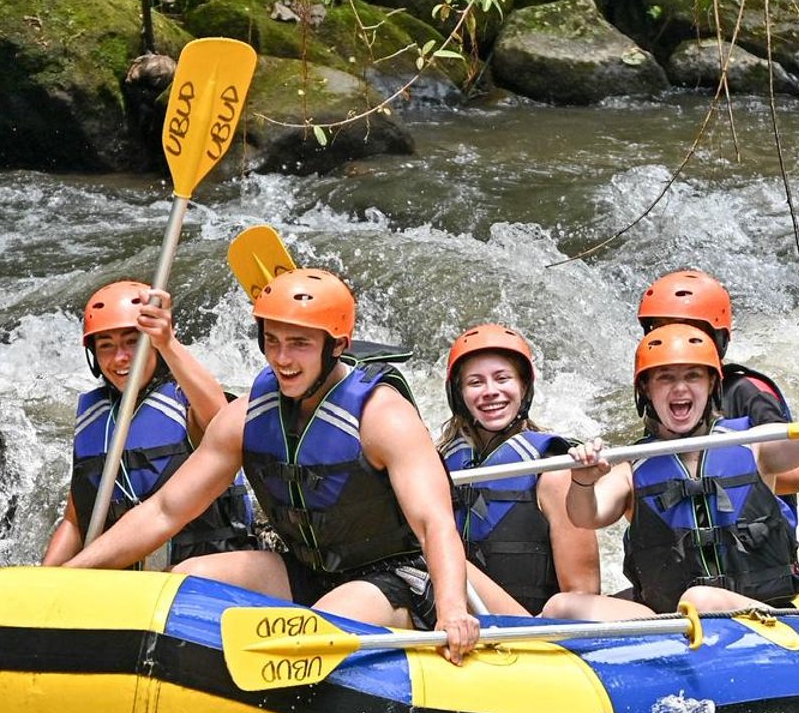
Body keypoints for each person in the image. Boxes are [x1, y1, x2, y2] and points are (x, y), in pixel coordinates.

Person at [65, 268, 480, 663]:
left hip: (395, 577)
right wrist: (68, 576)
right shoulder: (247, 417)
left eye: (299, 343)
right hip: (305, 568)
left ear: (336, 345)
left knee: (315, 628)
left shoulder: (382, 416)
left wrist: (451, 612)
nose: (283, 359)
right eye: (273, 340)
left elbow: (434, 523)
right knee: (185, 578)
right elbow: (164, 510)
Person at [542, 323, 799, 621]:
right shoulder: (635, 464)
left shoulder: (754, 445)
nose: (680, 389)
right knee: (563, 605)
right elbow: (586, 515)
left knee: (701, 599)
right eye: (666, 378)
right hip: (668, 624)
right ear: (646, 390)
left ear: (711, 385)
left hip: (763, 614)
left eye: (692, 376)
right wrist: (584, 479)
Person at [42, 281, 256, 568]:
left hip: (201, 572)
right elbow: (75, 522)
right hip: (127, 583)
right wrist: (45, 579)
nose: (120, 358)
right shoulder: (96, 419)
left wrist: (168, 343)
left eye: (133, 342)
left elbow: (221, 419)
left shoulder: (185, 400)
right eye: (106, 346)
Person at [436, 324, 600, 614]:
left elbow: (583, 594)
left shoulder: (553, 469)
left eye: (502, 378)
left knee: (434, 553)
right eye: (475, 383)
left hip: (530, 632)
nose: (490, 392)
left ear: (523, 387)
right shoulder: (436, 463)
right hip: (454, 624)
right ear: (459, 394)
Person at [637, 269, 799, 499]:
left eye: (690, 330)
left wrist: (711, 470)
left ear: (718, 338)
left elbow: (796, 476)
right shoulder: (662, 395)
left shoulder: (746, 391)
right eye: (664, 329)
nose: (677, 340)